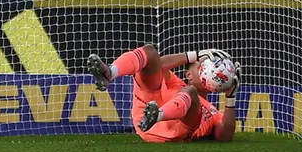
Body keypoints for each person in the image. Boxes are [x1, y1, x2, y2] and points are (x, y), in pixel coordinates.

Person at [86, 45, 240, 142]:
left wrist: (230, 96)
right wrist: (195, 55)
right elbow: (159, 64)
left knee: (190, 93)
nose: (206, 69)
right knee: (150, 52)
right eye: (201, 65)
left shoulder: (214, 111)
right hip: (144, 117)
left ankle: (157, 115)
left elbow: (224, 136)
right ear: (188, 75)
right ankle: (110, 73)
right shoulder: (174, 81)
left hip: (176, 131)